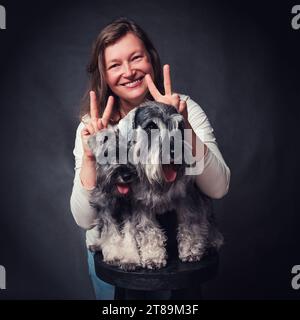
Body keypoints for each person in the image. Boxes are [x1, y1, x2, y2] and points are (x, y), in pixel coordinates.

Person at [70, 17, 230, 300]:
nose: (129, 71)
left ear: (151, 60)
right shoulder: (93, 126)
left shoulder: (185, 109)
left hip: (175, 258)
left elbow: (217, 189)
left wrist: (182, 126)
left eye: (136, 58)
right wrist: (91, 157)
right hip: (117, 252)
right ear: (103, 74)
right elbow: (85, 219)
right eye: (115, 65)